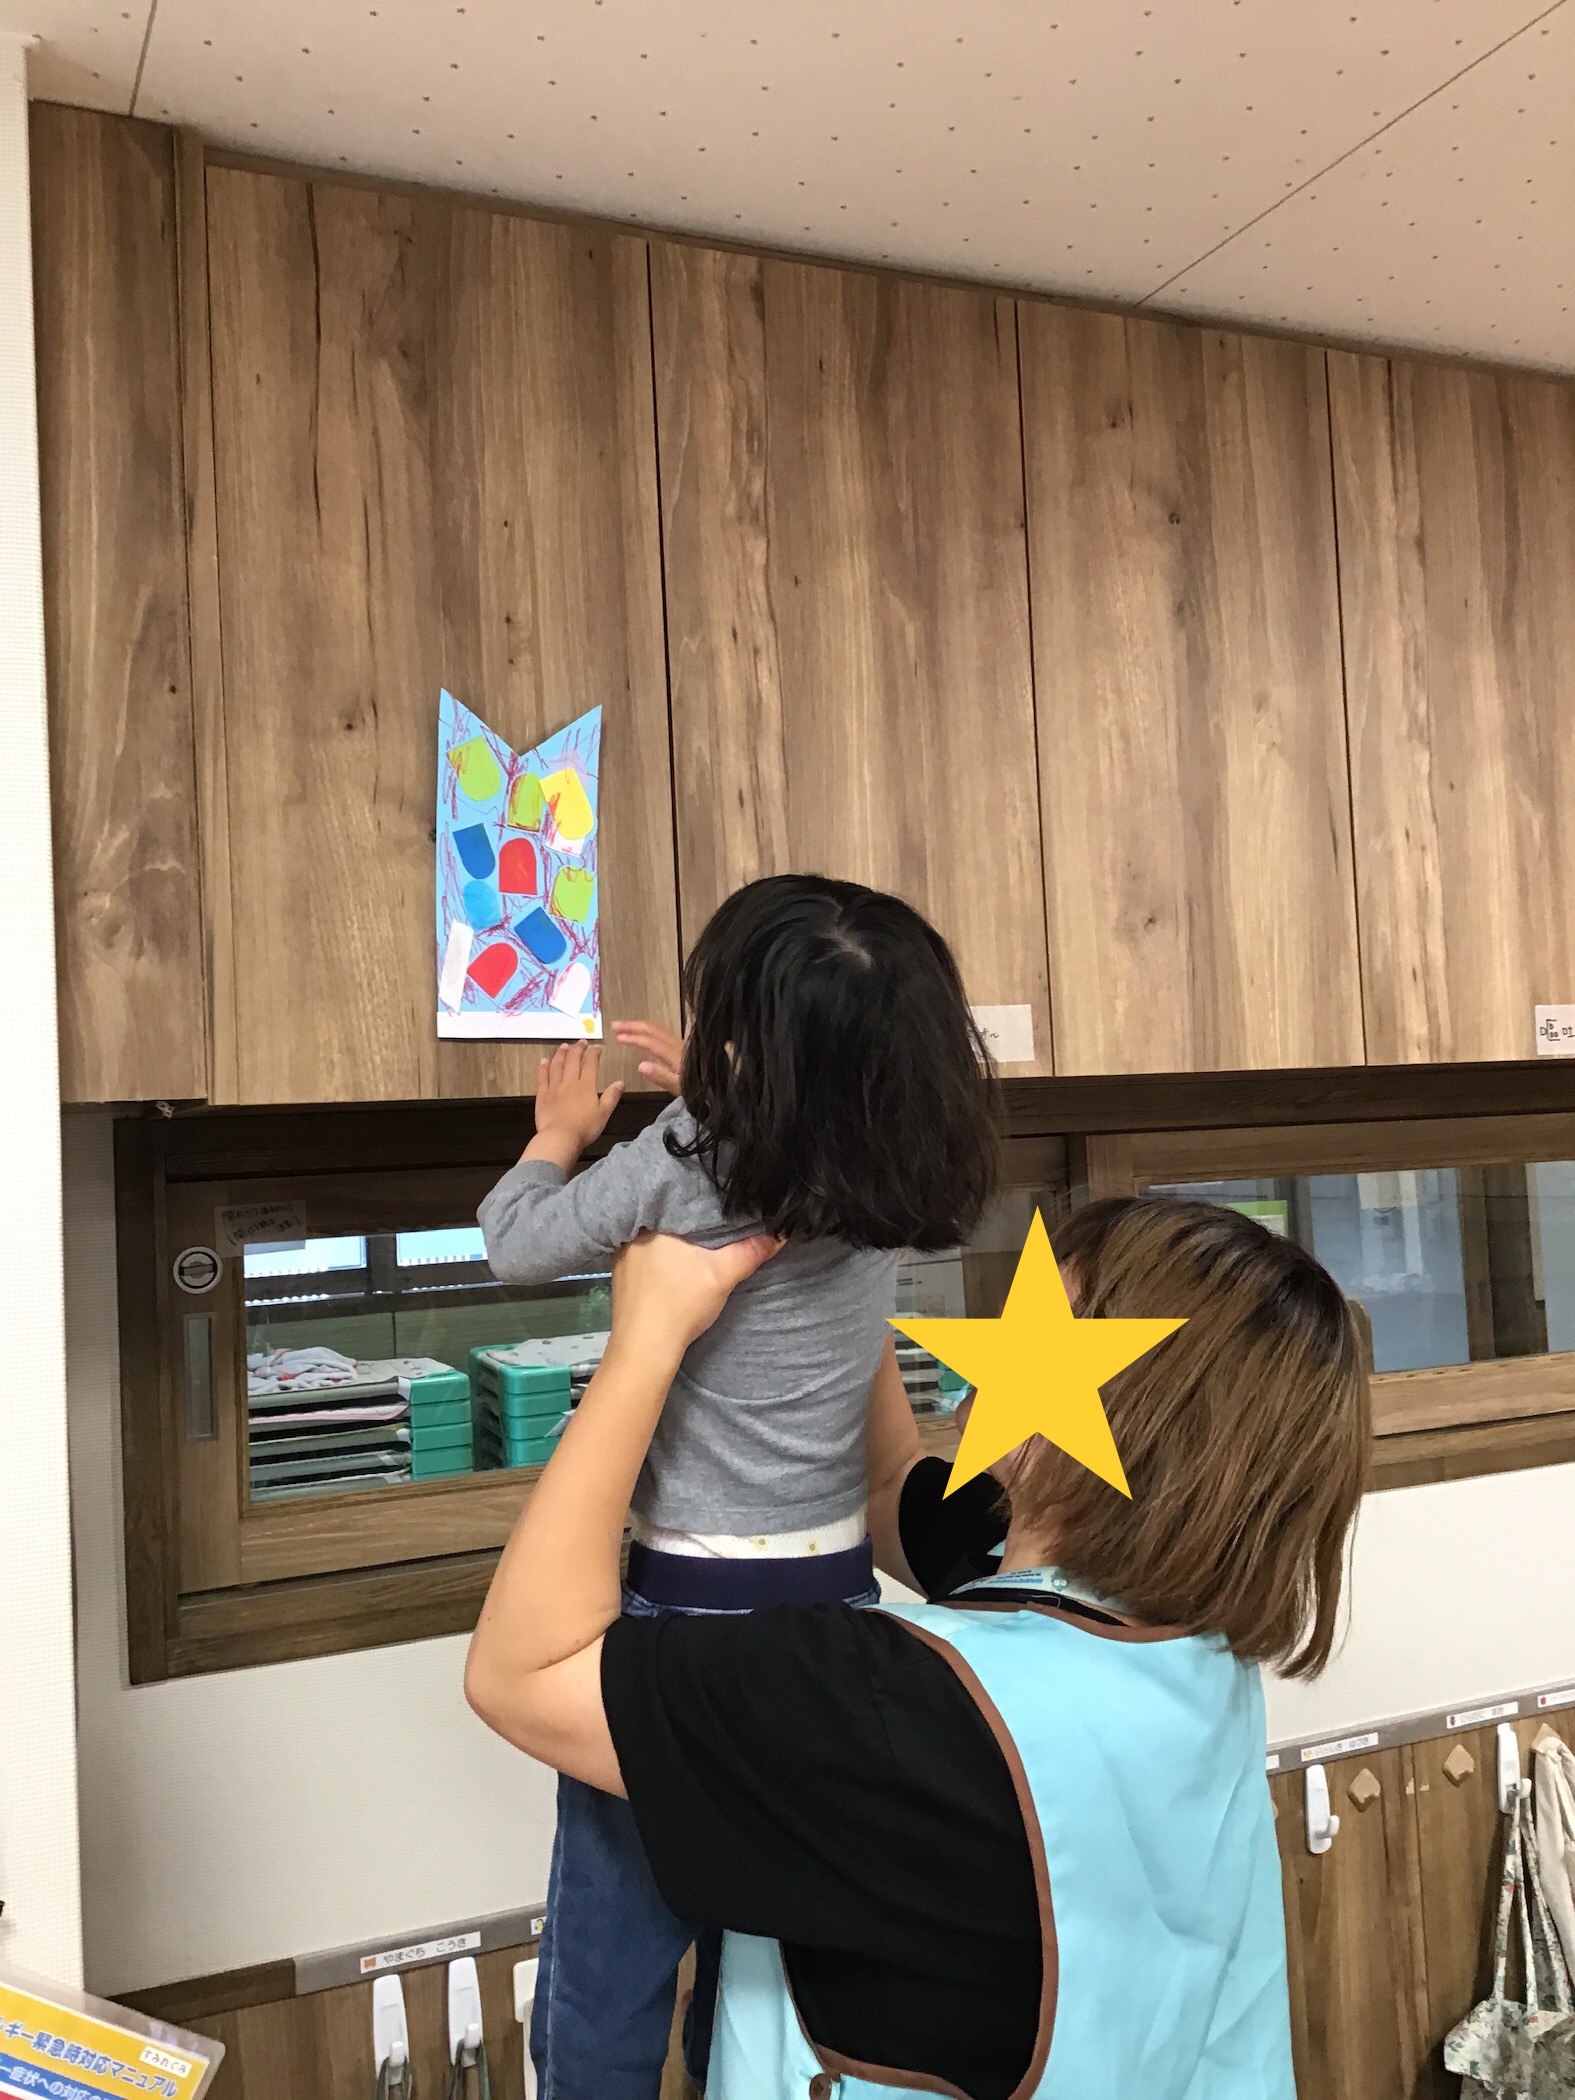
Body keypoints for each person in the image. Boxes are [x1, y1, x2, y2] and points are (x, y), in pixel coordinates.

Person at [466, 1194, 1370, 2100]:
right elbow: (887, 1482)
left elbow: (523, 1673)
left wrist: (646, 1339)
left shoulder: (895, 1707)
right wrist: (841, 1268)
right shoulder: (1187, 1638)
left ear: (1127, 1414)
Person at [476, 875, 998, 2099]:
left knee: (611, 1963)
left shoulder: (683, 1157)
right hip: (839, 1615)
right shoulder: (891, 1169)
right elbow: (809, 1122)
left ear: (741, 1054)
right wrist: (741, 1086)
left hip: (682, 1626)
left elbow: (514, 1240)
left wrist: (557, 1138)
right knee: (765, 1968)